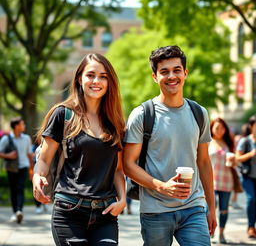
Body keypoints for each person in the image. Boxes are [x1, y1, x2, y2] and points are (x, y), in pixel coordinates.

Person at [123, 45, 217, 246]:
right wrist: (162, 186)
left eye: (176, 70)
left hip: (193, 207)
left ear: (185, 73)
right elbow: (128, 164)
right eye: (164, 71)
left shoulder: (199, 113)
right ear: (155, 77)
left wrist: (211, 207)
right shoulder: (142, 115)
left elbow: (204, 162)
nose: (171, 76)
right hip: (155, 210)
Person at [32, 53, 126, 246]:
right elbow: (44, 159)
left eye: (103, 76)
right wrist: (37, 177)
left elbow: (117, 169)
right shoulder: (63, 115)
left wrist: (123, 200)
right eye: (90, 75)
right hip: (69, 210)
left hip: (106, 214)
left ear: (110, 82)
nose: (96, 81)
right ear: (79, 78)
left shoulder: (115, 123)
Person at [0, 117, 33, 223]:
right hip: (11, 168)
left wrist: (32, 170)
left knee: (20, 188)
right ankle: (15, 212)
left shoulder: (27, 138)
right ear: (16, 126)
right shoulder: (6, 138)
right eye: (22, 124)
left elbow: (29, 155)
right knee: (13, 190)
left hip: (23, 167)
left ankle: (19, 211)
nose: (24, 126)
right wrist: (8, 155)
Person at [209, 118, 236, 244]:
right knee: (211, 208)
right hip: (211, 181)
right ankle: (211, 231)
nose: (220, 130)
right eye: (217, 128)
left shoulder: (228, 143)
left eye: (222, 128)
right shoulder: (207, 141)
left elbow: (235, 162)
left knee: (224, 210)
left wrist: (234, 161)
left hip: (226, 180)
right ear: (212, 128)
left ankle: (221, 233)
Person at [236, 115, 256, 239]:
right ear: (251, 126)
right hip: (248, 176)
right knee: (251, 199)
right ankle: (250, 226)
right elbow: (238, 157)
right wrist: (251, 154)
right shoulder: (245, 141)